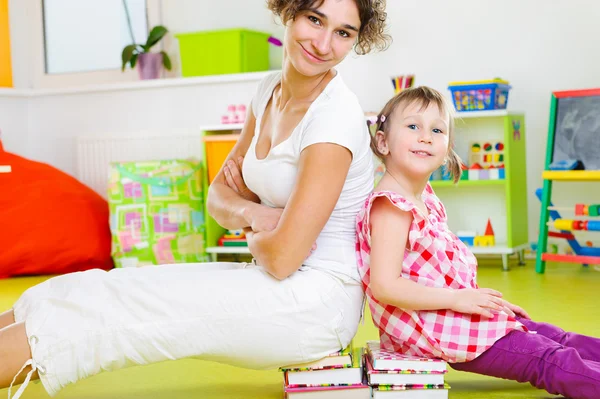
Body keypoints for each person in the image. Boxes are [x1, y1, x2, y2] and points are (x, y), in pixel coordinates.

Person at [0, 1, 390, 398]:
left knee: (123, 309)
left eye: (343, 32)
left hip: (316, 302)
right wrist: (256, 214)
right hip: (273, 279)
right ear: (289, 12)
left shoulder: (335, 116)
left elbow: (284, 255)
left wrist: (258, 235)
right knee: (98, 287)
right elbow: (217, 198)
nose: (323, 43)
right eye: (314, 19)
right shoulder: (268, 90)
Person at [355, 86, 600, 399]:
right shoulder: (391, 207)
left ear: (448, 146)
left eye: (437, 130)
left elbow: (437, 273)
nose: (425, 136)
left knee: (554, 335)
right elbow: (385, 286)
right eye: (413, 126)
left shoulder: (423, 199)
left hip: (446, 315)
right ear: (383, 141)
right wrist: (459, 301)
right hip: (430, 329)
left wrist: (492, 309)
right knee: (547, 358)